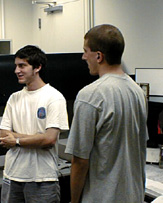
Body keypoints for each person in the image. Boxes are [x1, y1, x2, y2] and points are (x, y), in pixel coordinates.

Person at [65, 24, 148, 203]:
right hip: (134, 196)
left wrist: (73, 201)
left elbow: (80, 160)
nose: (83, 57)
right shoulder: (138, 92)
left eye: (85, 51)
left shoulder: (90, 95)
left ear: (99, 56)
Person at [0, 45, 69, 203]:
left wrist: (16, 140)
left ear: (37, 67)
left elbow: (49, 140)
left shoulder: (54, 98)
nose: (17, 70)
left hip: (42, 179)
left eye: (22, 65)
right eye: (16, 66)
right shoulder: (14, 98)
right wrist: (37, 138)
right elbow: (3, 135)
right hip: (12, 175)